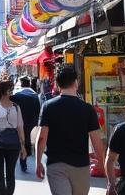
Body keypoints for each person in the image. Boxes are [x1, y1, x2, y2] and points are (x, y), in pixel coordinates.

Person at [34, 66, 103, 195]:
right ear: (76, 82)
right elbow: (96, 140)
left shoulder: (48, 106)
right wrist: (101, 162)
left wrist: (38, 162)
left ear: (58, 85)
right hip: (81, 165)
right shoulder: (87, 109)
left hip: (56, 164)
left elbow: (42, 137)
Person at [0, 79, 23, 195]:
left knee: (8, 173)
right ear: (4, 90)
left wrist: (23, 146)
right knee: (1, 173)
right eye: (10, 88)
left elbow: (20, 127)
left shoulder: (15, 107)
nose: (12, 91)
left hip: (9, 144)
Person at [10, 77, 41, 174]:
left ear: (21, 84)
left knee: (20, 140)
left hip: (18, 122)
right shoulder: (35, 96)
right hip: (31, 122)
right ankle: (24, 161)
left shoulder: (17, 95)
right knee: (27, 140)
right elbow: (38, 110)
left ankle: (20, 159)